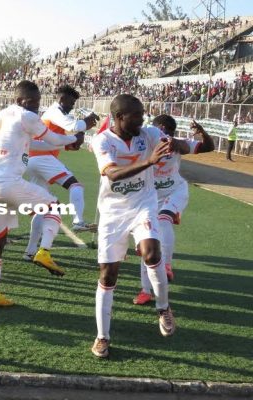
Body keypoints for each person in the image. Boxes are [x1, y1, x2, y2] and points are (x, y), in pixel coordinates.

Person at [0, 80, 84, 306]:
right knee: (53, 206)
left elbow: (39, 146)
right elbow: (54, 138)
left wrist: (66, 144)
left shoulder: (4, 115)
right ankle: (44, 251)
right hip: (9, 182)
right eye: (31, 102)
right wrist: (74, 138)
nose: (35, 107)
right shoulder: (26, 116)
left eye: (38, 102)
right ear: (19, 101)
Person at [90, 94, 176, 359]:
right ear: (119, 118)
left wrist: (184, 144)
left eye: (142, 114)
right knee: (108, 276)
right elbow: (112, 174)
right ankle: (102, 336)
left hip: (143, 205)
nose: (142, 119)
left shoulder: (147, 133)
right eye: (136, 115)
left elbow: (175, 145)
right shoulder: (102, 140)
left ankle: (163, 308)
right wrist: (149, 161)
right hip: (113, 213)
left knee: (152, 253)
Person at [133, 115, 214, 305]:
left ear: (168, 131)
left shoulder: (178, 144)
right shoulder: (144, 143)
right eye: (156, 130)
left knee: (163, 219)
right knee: (148, 241)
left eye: (163, 131)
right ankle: (146, 290)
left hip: (175, 192)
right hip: (150, 197)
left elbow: (207, 147)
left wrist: (203, 133)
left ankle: (166, 265)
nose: (159, 134)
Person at [23, 85, 98, 261]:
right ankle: (78, 221)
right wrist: (86, 123)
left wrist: (70, 144)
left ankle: (30, 251)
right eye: (71, 103)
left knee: (41, 208)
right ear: (62, 99)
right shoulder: (54, 111)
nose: (72, 106)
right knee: (75, 185)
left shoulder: (55, 114)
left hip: (35, 159)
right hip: (43, 159)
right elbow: (73, 126)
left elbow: (56, 139)